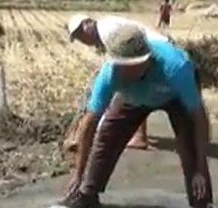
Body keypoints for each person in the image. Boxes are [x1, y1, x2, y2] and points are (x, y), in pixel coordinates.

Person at [60, 25, 215, 208]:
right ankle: (88, 193)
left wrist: (200, 167)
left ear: (143, 61)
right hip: (134, 98)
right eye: (116, 65)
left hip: (174, 96)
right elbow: (90, 123)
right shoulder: (111, 73)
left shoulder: (176, 67)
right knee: (107, 135)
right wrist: (77, 173)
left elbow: (199, 117)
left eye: (125, 67)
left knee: (188, 147)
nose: (118, 71)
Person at [66, 15, 169, 150]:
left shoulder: (107, 31)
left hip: (156, 51)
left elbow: (125, 62)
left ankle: (138, 137)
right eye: (78, 37)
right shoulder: (104, 31)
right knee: (128, 88)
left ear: (89, 22)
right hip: (151, 51)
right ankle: (132, 134)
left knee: (131, 87)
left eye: (81, 33)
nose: (82, 39)